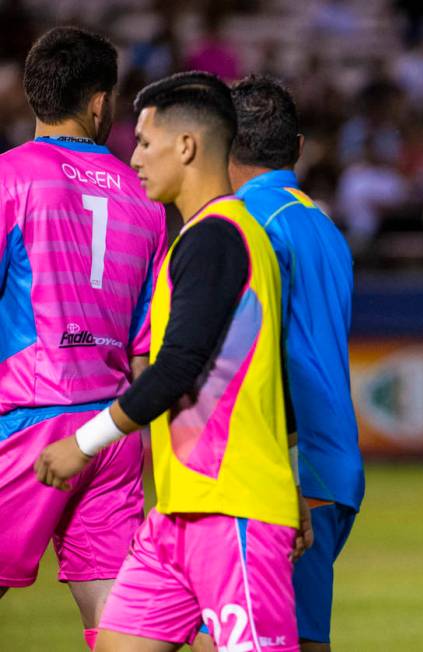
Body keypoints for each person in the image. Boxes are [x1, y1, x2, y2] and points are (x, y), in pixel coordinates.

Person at [34, 71, 311, 652]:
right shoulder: (204, 238)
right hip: (181, 513)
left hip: (233, 511)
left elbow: (179, 365)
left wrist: (83, 443)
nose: (132, 157)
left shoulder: (219, 237)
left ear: (186, 146)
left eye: (144, 141)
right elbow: (277, 381)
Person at [0, 26, 166, 651]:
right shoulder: (145, 198)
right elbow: (145, 345)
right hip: (110, 430)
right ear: (100, 102)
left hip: (23, 422)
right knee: (116, 620)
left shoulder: (9, 178)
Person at [191, 73, 365, 652]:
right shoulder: (323, 225)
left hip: (279, 469)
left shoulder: (240, 226)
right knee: (300, 636)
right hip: (333, 466)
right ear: (297, 149)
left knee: (234, 636)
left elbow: (244, 362)